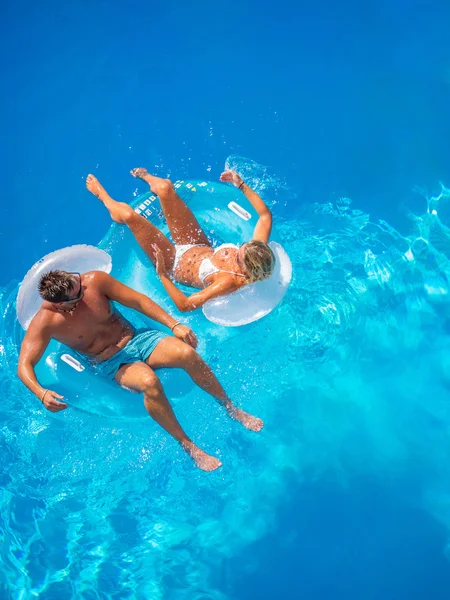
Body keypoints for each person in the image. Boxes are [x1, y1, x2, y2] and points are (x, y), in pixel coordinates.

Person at [17, 270, 263, 471]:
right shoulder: (46, 323)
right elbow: (24, 365)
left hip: (137, 339)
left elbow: (138, 301)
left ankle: (231, 407)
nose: (83, 289)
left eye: (78, 282)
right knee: (149, 382)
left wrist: (174, 324)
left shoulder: (94, 281)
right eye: (78, 294)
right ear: (61, 305)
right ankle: (189, 446)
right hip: (111, 363)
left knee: (187, 354)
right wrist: (40, 392)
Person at [86, 168, 275, 312]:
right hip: (196, 244)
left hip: (172, 262)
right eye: (243, 245)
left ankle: (104, 198)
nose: (239, 247)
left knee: (129, 215)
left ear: (244, 268)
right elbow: (265, 216)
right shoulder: (257, 251)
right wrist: (239, 183)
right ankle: (148, 177)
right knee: (164, 188)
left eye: (238, 256)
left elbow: (185, 305)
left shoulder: (228, 281)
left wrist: (162, 273)